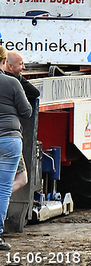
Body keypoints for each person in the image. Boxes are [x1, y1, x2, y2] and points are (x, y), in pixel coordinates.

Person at [0, 49, 32, 250]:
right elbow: (26, 112)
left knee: (11, 183)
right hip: (9, 141)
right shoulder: (12, 83)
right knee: (3, 189)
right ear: (4, 61)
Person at [1, 51, 39, 193]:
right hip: (9, 138)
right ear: (7, 64)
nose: (24, 67)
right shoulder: (13, 81)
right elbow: (30, 104)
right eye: (21, 64)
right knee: (20, 179)